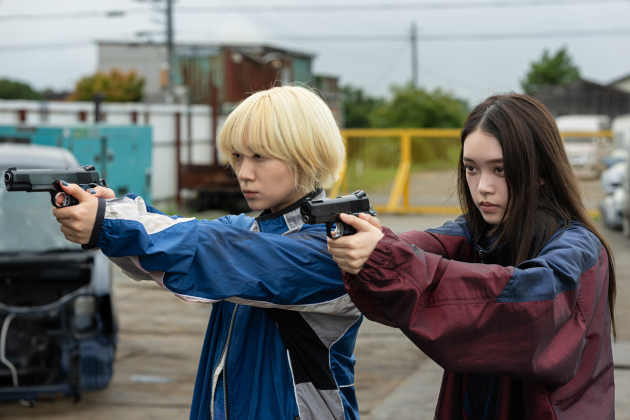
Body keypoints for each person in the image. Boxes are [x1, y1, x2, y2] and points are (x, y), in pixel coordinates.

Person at [52, 86, 363, 420]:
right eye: (238, 156)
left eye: (259, 156)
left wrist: (108, 221)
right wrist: (107, 212)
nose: (243, 173)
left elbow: (212, 249)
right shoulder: (249, 230)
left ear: (307, 155)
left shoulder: (334, 247)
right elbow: (178, 243)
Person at [327, 93, 616, 419]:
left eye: (500, 169)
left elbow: (526, 305)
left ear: (540, 171)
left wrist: (385, 258)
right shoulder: (477, 233)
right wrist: (372, 245)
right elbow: (420, 248)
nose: (482, 187)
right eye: (471, 168)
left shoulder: (580, 249)